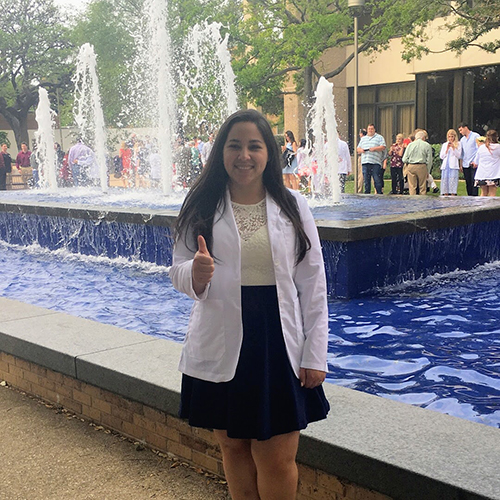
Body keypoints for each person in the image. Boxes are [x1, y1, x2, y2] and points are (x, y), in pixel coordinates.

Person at [170, 109, 329, 500]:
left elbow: (313, 283)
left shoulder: (293, 205)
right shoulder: (202, 204)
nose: (244, 155)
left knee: (276, 457)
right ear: (221, 152)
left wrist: (316, 353)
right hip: (221, 338)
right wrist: (196, 273)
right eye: (235, 145)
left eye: (254, 146)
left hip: (277, 341)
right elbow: (177, 270)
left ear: (269, 153)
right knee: (233, 447)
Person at [356, 124, 386, 194]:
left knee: (376, 179)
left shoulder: (379, 137)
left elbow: (383, 147)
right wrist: (361, 150)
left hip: (375, 162)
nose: (370, 130)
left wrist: (374, 148)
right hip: (365, 162)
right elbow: (358, 149)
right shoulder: (363, 139)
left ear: (374, 130)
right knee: (366, 180)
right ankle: (367, 194)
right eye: (369, 129)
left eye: (372, 129)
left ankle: (379, 193)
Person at [402, 130, 433, 195]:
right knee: (422, 186)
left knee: (412, 186)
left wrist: (409, 162)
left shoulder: (410, 145)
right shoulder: (427, 145)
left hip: (411, 166)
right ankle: (422, 201)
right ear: (423, 138)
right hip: (422, 166)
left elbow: (404, 159)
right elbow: (429, 160)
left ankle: (413, 201)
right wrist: (428, 171)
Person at [473, 129, 500, 197]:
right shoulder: (498, 147)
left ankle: (481, 207)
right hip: (494, 174)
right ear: (496, 137)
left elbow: (476, 162)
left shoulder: (481, 147)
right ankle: (492, 207)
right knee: (492, 194)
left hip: (482, 174)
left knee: (483, 193)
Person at [458, 122, 480, 196]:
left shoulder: (475, 136)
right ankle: (469, 197)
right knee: (468, 182)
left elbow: (478, 150)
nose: (460, 132)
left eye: (461, 130)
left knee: (474, 182)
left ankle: (474, 197)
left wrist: (476, 161)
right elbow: (462, 154)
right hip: (465, 164)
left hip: (473, 163)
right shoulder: (462, 140)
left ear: (465, 128)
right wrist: (461, 164)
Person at [439, 129, 462, 196]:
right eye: (449, 137)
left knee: (452, 182)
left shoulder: (458, 144)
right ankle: (445, 194)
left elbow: (458, 155)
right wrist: (446, 149)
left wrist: (453, 148)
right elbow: (442, 156)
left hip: (453, 166)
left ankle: (453, 195)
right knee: (445, 182)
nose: (451, 138)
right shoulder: (444, 144)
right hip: (445, 166)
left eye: (452, 136)